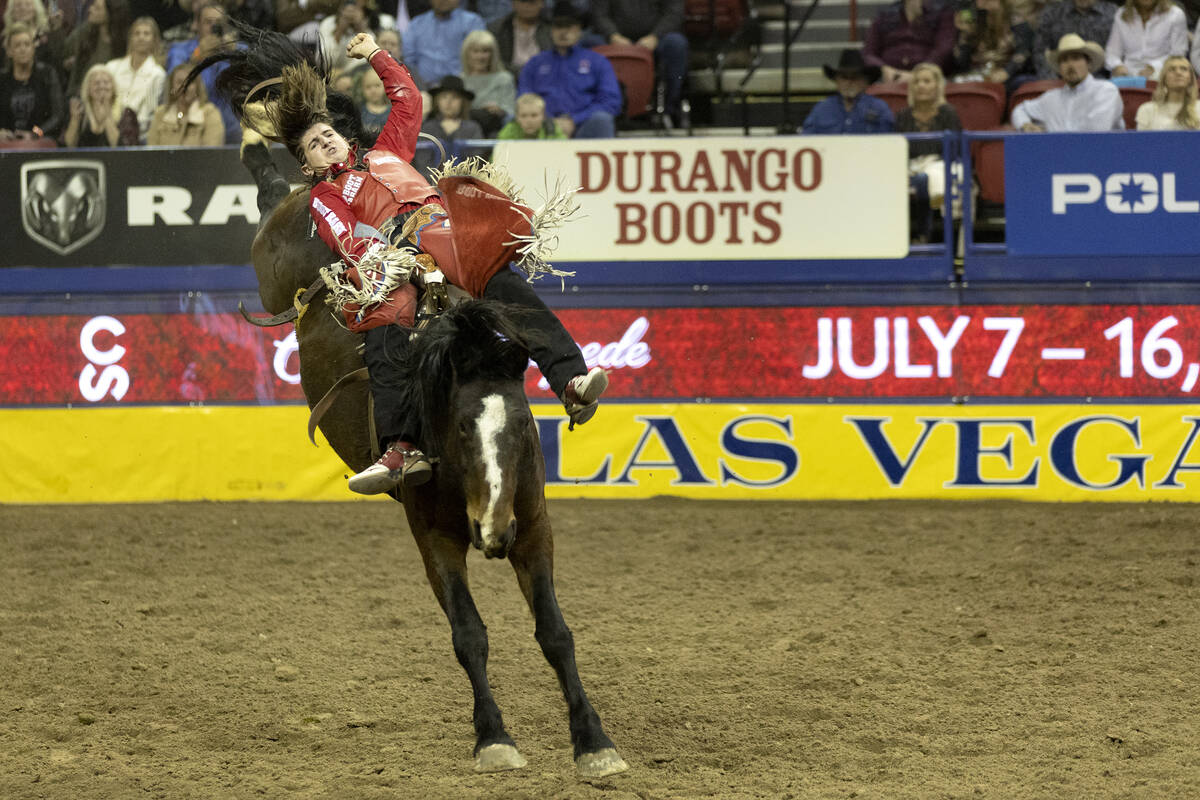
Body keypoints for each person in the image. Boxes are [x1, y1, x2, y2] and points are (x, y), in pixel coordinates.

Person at [210, 28, 608, 494]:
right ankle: (402, 447)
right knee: (384, 326)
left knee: (507, 287)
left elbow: (408, 101)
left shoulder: (387, 151)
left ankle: (570, 381)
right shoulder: (325, 194)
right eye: (315, 144)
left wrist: (377, 54)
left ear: (343, 137)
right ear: (308, 166)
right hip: (392, 260)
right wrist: (381, 260)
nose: (327, 142)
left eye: (328, 135)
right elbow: (342, 237)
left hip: (443, 234)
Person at [518, 2, 621, 138]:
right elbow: (524, 97)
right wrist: (547, 120)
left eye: (570, 27)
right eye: (558, 27)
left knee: (601, 119)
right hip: (542, 125)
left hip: (584, 124)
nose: (563, 32)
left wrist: (574, 120)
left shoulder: (597, 61)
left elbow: (610, 101)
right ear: (551, 30)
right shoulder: (535, 63)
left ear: (579, 30)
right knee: (513, 120)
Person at [589, 0, 688, 123]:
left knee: (676, 43)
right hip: (613, 38)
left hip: (656, 38)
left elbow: (674, 13)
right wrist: (613, 36)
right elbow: (599, 14)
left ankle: (670, 108)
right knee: (588, 43)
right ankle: (594, 109)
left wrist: (655, 36)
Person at [894, 62, 962, 238]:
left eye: (926, 81)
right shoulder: (903, 115)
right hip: (909, 167)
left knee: (929, 178)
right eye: (916, 82)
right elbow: (897, 150)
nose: (921, 86)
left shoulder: (948, 113)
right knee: (917, 178)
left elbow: (954, 149)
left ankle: (933, 236)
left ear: (937, 86)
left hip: (942, 165)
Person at [1011, 33, 1123, 130]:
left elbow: (1095, 133)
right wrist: (1025, 125)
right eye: (1064, 60)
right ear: (1059, 68)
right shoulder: (1051, 98)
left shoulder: (1106, 91)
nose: (1070, 65)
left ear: (1088, 63)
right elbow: (1020, 110)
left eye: (1075, 58)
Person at [164, 0, 240, 143]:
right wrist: (196, 58)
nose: (213, 27)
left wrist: (234, 55)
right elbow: (173, 84)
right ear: (196, 25)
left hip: (232, 129)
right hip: (192, 128)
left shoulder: (237, 50)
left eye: (218, 22)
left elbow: (253, 77)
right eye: (208, 22)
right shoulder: (180, 50)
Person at [0, 21, 66, 143]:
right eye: (17, 45)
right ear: (9, 51)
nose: (23, 49)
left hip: (39, 139)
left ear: (33, 48)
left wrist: (35, 134)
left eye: (27, 44)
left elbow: (58, 116)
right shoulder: (2, 80)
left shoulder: (47, 74)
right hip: (7, 143)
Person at [802, 49, 894, 133]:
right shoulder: (821, 109)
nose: (849, 82)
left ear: (866, 82)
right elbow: (806, 140)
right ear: (836, 81)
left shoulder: (879, 108)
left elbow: (889, 142)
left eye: (855, 77)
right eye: (844, 77)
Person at [950, 0, 1035, 92]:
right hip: (979, 74)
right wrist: (965, 34)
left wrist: (1006, 72)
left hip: (1008, 74)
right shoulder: (976, 16)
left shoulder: (1015, 19)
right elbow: (962, 62)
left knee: (1020, 82)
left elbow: (1024, 51)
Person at [861, 0, 955, 82]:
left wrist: (921, 72)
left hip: (930, 77)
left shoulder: (943, 11)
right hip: (888, 78)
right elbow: (868, 53)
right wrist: (883, 69)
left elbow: (944, 48)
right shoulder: (884, 14)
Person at [105, 16, 166, 139]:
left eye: (146, 34)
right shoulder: (111, 67)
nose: (141, 37)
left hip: (138, 136)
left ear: (154, 40)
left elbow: (149, 113)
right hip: (108, 128)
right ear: (131, 38)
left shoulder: (157, 74)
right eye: (137, 33)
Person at [402, 0, 485, 86]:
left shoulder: (472, 22)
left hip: (462, 86)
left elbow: (478, 59)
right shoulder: (416, 24)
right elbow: (408, 59)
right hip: (422, 88)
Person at [1032, 0, 1116, 79]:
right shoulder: (1053, 13)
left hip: (1104, 77)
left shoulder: (1113, 13)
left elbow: (1119, 53)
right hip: (1060, 77)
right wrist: (1050, 78)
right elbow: (1040, 50)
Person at [63, 0, 132, 95]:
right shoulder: (85, 31)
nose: (90, 9)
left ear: (110, 15)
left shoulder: (126, 42)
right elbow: (64, 50)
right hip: (82, 96)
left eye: (97, 8)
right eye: (92, 6)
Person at [146, 62, 224, 144]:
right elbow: (151, 152)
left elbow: (212, 152)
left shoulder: (210, 113)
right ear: (172, 86)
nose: (185, 86)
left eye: (190, 81)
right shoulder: (160, 114)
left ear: (197, 86)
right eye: (179, 82)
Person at [1105, 0, 1187, 78]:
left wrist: (1154, 67)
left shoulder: (1175, 14)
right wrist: (1117, 65)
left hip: (1163, 71)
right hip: (1128, 72)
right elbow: (1112, 52)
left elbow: (1178, 53)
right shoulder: (1121, 14)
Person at [64, 63, 139, 145]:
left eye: (106, 82)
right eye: (96, 83)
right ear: (88, 89)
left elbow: (122, 148)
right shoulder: (79, 111)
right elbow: (68, 145)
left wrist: (107, 116)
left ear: (113, 87)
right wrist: (75, 120)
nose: (102, 86)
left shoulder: (126, 113)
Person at [459, 28, 514, 136]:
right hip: (468, 130)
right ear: (467, 54)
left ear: (493, 54)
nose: (480, 57)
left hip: (496, 128)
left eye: (485, 51)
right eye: (475, 51)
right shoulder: (461, 80)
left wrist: (500, 110)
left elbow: (511, 111)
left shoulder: (504, 78)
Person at [487, 0, 550, 77]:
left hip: (545, 77)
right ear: (513, 4)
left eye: (532, 2)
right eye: (522, 1)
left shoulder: (552, 28)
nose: (527, 6)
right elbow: (495, 61)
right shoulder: (498, 28)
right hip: (508, 78)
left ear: (542, 4)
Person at [1135, 55, 1200, 129]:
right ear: (1164, 78)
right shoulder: (1147, 110)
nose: (1178, 73)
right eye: (1172, 69)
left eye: (1184, 69)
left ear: (1190, 78)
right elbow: (1141, 140)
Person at [420, 73, 484, 144]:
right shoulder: (428, 128)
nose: (448, 102)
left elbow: (476, 153)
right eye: (444, 97)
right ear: (437, 101)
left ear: (463, 102)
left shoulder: (472, 128)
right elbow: (423, 154)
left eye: (455, 97)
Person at [496, 90, 566, 137]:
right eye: (523, 116)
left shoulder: (553, 131)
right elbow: (497, 158)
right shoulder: (508, 132)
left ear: (543, 116)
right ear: (517, 117)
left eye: (534, 115)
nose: (529, 121)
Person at [356, 64, 390, 144]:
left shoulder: (392, 111)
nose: (373, 90)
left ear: (385, 85)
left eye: (377, 85)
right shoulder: (359, 112)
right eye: (368, 87)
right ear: (362, 89)